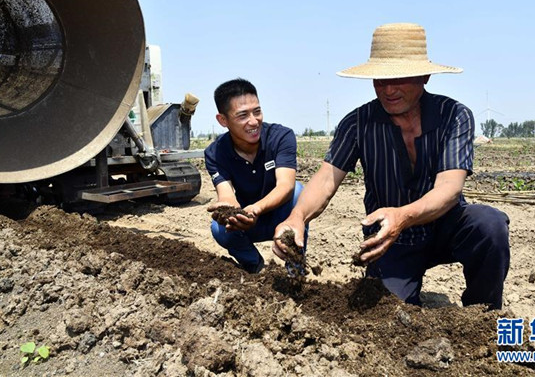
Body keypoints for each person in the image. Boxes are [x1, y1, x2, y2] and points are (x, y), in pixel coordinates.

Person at [273, 23, 510, 309]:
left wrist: (402, 216)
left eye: (399, 79)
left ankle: (483, 314)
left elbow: (449, 189)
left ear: (425, 76)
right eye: (380, 80)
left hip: (445, 226)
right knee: (388, 313)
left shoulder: (453, 116)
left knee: (489, 225)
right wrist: (297, 217)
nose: (388, 89)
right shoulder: (357, 124)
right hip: (390, 239)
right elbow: (325, 180)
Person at [205, 78, 308, 274]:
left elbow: (286, 186)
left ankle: (295, 271)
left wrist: (256, 209)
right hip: (247, 223)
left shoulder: (280, 137)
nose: (254, 121)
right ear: (223, 120)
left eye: (257, 112)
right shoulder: (215, 152)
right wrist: (234, 213)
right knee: (219, 228)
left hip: (282, 217)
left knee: (298, 192)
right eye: (243, 115)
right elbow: (226, 195)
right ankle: (256, 268)